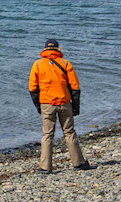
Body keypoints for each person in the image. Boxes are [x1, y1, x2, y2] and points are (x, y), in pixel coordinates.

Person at [29, 38, 89, 173]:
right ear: (58, 49)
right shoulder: (65, 63)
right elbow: (75, 87)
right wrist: (75, 107)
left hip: (47, 103)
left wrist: (38, 106)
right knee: (69, 132)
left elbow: (32, 88)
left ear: (45, 49)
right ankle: (78, 163)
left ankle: (45, 167)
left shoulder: (38, 65)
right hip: (65, 103)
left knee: (47, 135)